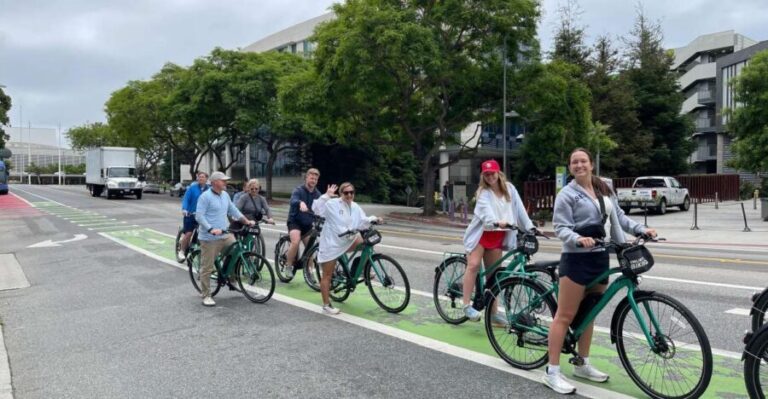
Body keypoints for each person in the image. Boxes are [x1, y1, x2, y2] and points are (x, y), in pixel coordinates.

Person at [543, 148, 657, 394]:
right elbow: (560, 227)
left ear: (591, 164)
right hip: (576, 260)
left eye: (583, 161)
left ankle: (582, 363)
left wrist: (641, 229)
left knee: (589, 315)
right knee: (564, 316)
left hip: (600, 258)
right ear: (570, 167)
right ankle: (552, 371)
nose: (579, 165)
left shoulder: (604, 188)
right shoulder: (567, 194)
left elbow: (620, 217)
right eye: (574, 162)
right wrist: (577, 238)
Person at [461, 159, 534, 323]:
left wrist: (530, 227)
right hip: (481, 235)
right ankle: (466, 306)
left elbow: (520, 209)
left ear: (498, 173)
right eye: (486, 174)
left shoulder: (510, 189)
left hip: (498, 236)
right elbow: (485, 210)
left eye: (492, 173)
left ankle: (493, 314)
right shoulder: (483, 192)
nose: (489, 177)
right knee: (473, 265)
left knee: (493, 276)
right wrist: (495, 221)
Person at [312, 182, 381, 315]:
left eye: (352, 192)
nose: (349, 195)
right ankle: (326, 305)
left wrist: (374, 219)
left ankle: (359, 270)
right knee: (327, 275)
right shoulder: (332, 204)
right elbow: (316, 209)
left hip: (348, 240)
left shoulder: (355, 206)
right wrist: (326, 196)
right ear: (340, 194)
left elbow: (362, 220)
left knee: (368, 243)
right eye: (346, 193)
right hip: (331, 244)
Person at [195, 171, 255, 307]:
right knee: (207, 267)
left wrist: (246, 221)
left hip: (225, 233)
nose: (226, 183)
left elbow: (233, 210)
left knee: (236, 251)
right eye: (223, 181)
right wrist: (210, 228)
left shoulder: (225, 195)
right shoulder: (205, 197)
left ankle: (230, 277)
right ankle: (206, 294)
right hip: (209, 237)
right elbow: (199, 216)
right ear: (215, 182)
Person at [284, 168, 322, 279]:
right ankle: (288, 266)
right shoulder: (298, 190)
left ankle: (310, 272)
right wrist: (300, 203)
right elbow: (293, 200)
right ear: (306, 178)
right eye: (311, 178)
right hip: (295, 221)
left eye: (315, 179)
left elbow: (322, 207)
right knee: (295, 242)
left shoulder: (317, 194)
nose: (313, 180)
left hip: (308, 224)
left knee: (310, 249)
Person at [177, 171, 209, 262]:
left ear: (206, 179)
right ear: (197, 178)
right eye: (199, 177)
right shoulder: (192, 188)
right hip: (191, 214)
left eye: (203, 177)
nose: (201, 178)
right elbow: (186, 200)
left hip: (203, 216)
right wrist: (185, 209)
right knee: (189, 234)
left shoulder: (209, 190)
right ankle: (182, 251)